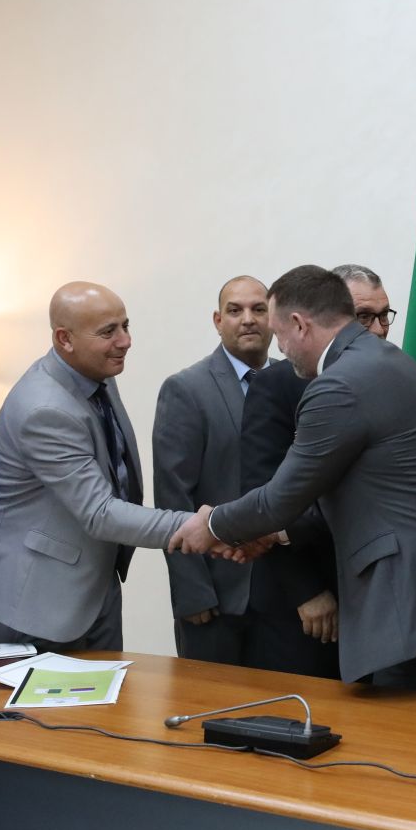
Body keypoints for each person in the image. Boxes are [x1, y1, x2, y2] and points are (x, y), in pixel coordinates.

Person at [171, 265, 416, 701]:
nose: (279, 348)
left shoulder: (340, 384)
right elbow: (361, 490)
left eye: (279, 334)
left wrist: (211, 525)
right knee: (410, 738)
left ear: (299, 325)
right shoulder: (382, 360)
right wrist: (272, 533)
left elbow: (281, 498)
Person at [0, 282, 197, 650]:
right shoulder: (45, 409)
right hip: (39, 601)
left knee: (110, 688)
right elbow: (100, 512)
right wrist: (200, 527)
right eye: (108, 332)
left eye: (125, 326)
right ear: (65, 339)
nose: (125, 341)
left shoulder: (96, 374)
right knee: (50, 694)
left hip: (92, 584)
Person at [236, 263, 394, 679]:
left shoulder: (390, 374)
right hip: (307, 601)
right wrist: (306, 591)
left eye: (384, 316)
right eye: (364, 317)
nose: (378, 330)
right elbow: (265, 496)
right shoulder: (278, 385)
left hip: (379, 593)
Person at [152, 275, 269, 665]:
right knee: (211, 701)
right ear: (218, 321)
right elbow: (173, 496)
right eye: (235, 310)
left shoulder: (294, 382)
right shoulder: (186, 389)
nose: (248, 319)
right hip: (216, 596)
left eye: (258, 309)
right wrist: (192, 592)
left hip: (284, 596)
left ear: (274, 318)